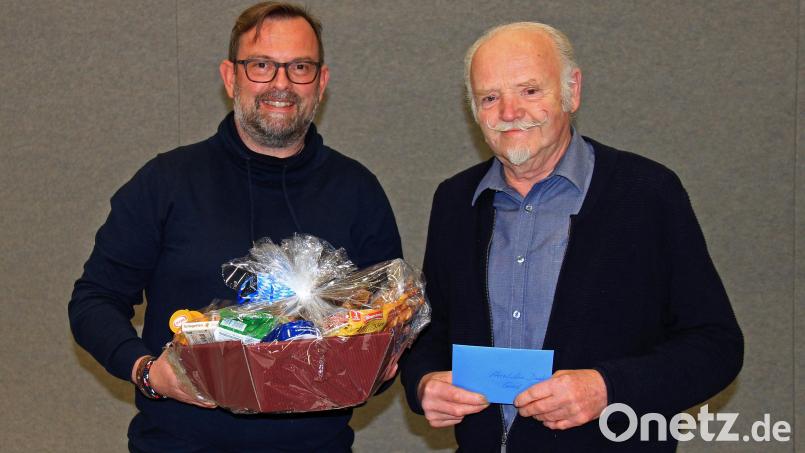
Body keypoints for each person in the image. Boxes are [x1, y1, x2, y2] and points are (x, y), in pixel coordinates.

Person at [68, 2, 401, 451]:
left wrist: (379, 362)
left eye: (299, 67)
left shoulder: (358, 191)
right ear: (230, 77)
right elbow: (94, 300)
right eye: (261, 65)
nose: (281, 83)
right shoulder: (166, 182)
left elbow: (386, 316)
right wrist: (146, 372)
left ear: (321, 83)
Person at [400, 22, 743, 451]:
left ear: (572, 91)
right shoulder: (456, 201)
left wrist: (607, 388)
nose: (509, 112)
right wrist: (424, 382)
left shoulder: (647, 194)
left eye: (529, 91)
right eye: (490, 98)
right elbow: (429, 332)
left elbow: (716, 346)